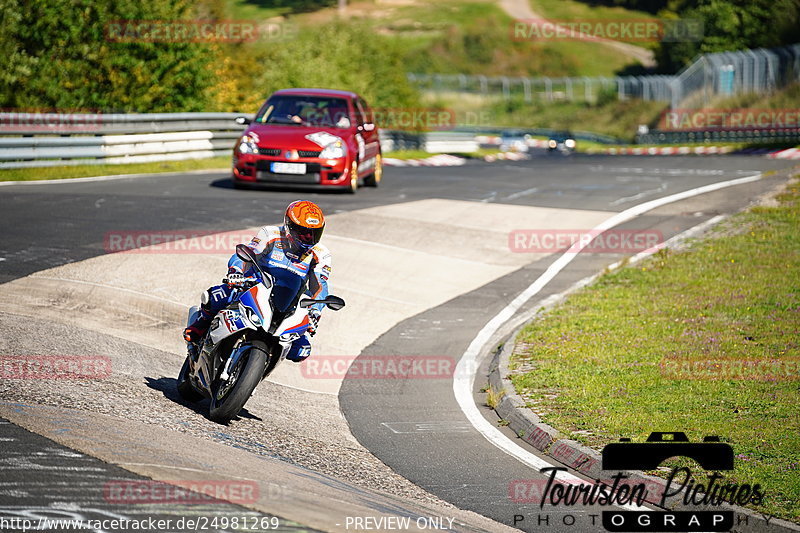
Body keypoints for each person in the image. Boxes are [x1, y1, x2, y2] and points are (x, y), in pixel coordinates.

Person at [183, 200, 331, 362]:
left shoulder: (321, 254)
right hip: (256, 286)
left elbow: (320, 286)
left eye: (314, 234)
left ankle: (261, 363)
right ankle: (199, 326)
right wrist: (236, 272)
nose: (308, 238)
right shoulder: (271, 234)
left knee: (301, 351)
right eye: (303, 233)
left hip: (288, 301)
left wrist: (315, 312)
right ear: (289, 226)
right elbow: (247, 255)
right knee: (218, 295)